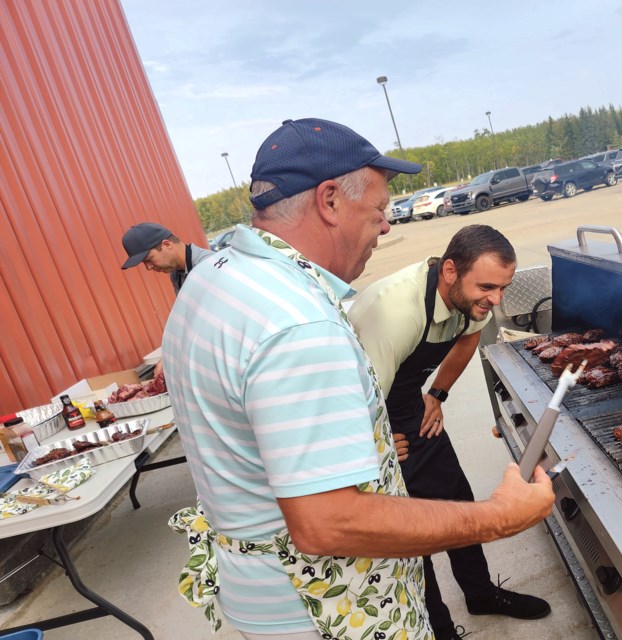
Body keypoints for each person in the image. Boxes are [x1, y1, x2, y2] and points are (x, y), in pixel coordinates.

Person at [161, 118, 554, 640]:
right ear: (329, 201)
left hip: (265, 592)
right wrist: (499, 517)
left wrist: (428, 401)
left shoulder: (213, 279)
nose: (387, 226)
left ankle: (477, 592)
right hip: (328, 606)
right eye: (379, 210)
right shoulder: (300, 325)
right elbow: (328, 522)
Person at [348, 226, 550, 640]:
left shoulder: (470, 301)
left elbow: (466, 341)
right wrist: (377, 444)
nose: (496, 301)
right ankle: (438, 627)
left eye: (503, 288)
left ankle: (479, 594)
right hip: (366, 413)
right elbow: (350, 400)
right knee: (409, 528)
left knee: (456, 500)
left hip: (410, 406)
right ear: (451, 270)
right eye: (488, 287)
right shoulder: (395, 313)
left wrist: (438, 393)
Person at [120, 222, 214, 294]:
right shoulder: (176, 275)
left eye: (149, 259)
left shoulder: (210, 265)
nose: (148, 268)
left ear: (167, 245)